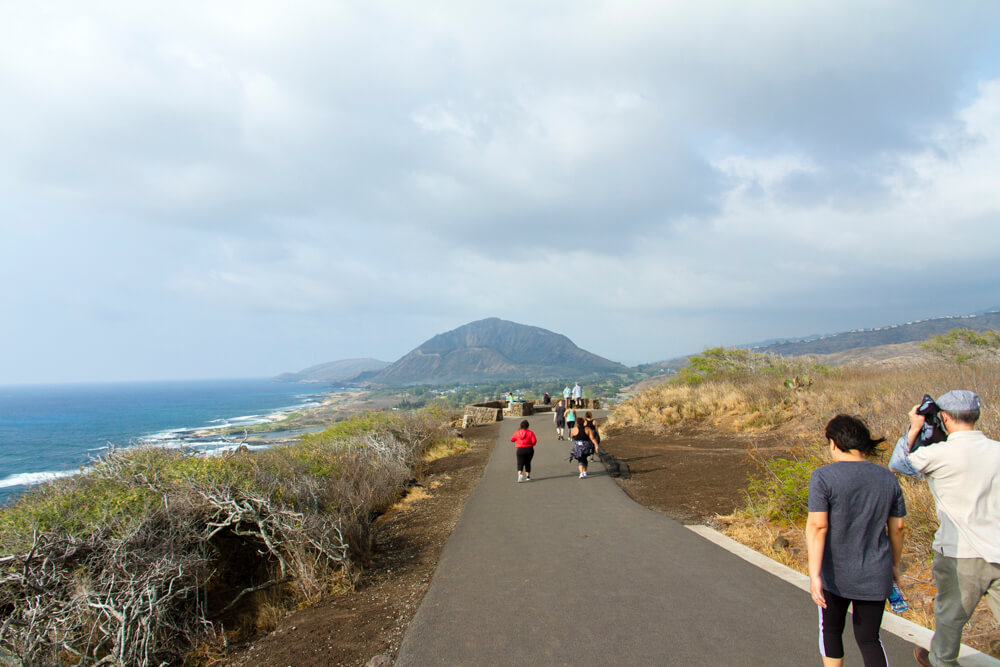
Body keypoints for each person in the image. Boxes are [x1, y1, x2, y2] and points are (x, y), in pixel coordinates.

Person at [904, 391, 1000, 667]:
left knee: (950, 616)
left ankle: (941, 660)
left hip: (960, 552)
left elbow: (899, 463)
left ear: (943, 417)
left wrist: (914, 429)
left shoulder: (938, 454)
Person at [806, 414, 906, 667]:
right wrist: (894, 565)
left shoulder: (823, 477)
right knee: (870, 638)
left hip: (834, 573)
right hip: (875, 570)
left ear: (834, 443)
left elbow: (818, 526)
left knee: (831, 630)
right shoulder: (887, 478)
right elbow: (898, 528)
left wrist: (814, 574)